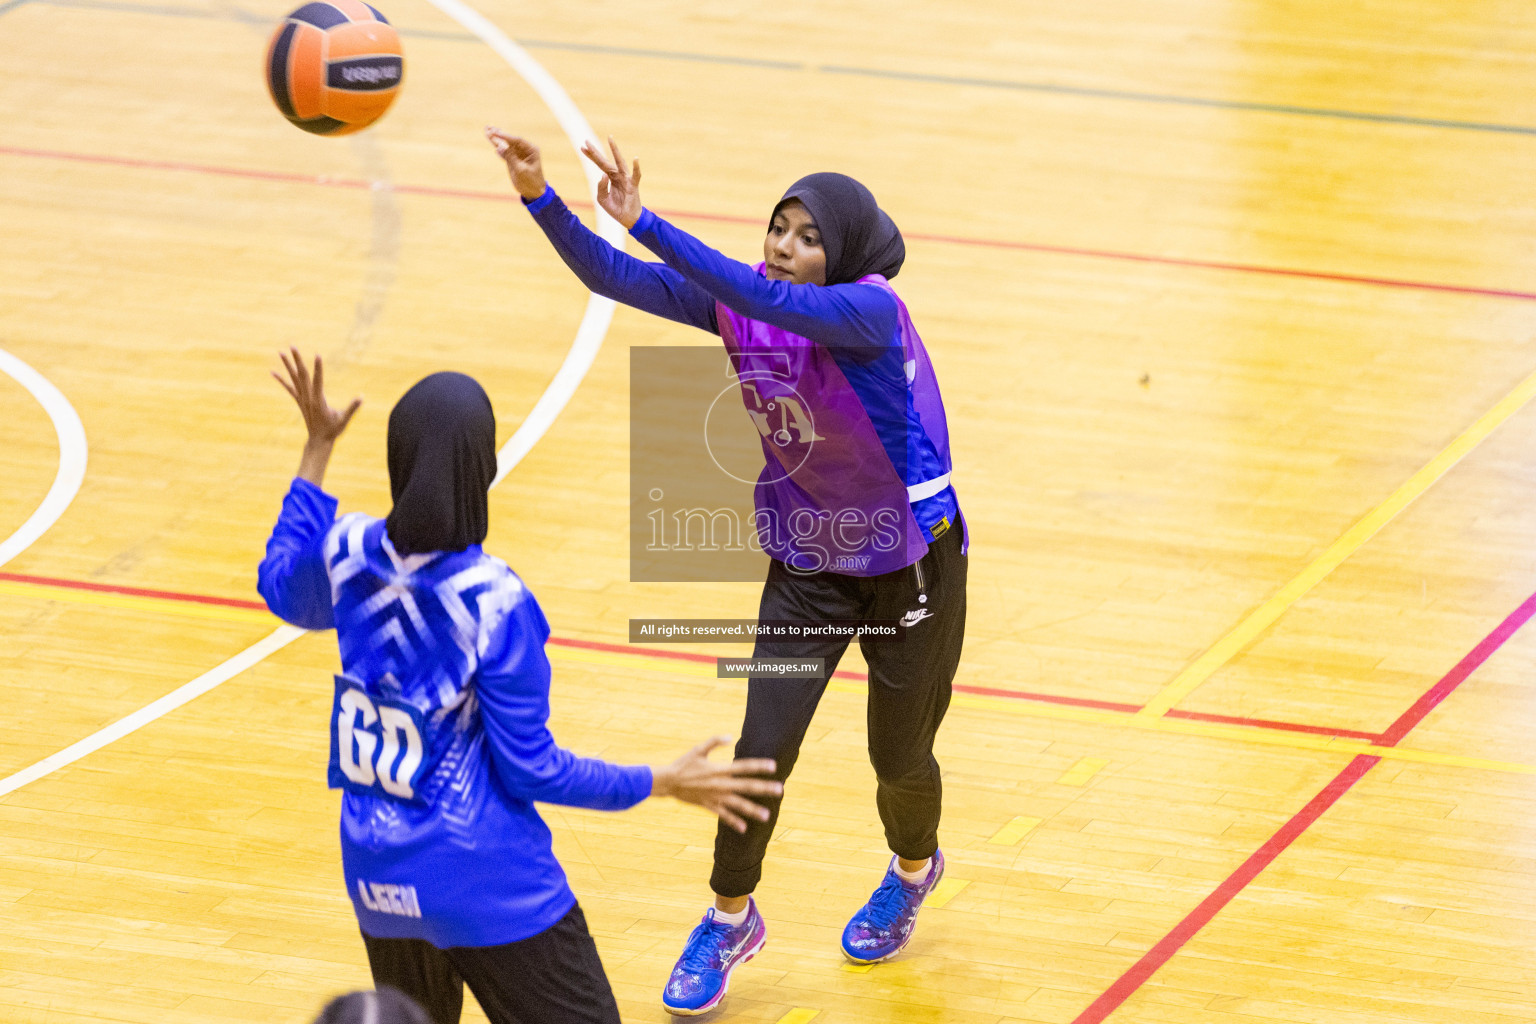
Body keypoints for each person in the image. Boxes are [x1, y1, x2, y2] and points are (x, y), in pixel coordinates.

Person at [487, 130, 968, 1016]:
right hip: (806, 563)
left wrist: (648, 221)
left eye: (808, 235)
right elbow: (612, 277)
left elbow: (745, 287)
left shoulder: (869, 312)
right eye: (778, 228)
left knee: (898, 758)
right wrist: (541, 198)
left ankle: (913, 867)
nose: (784, 246)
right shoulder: (743, 303)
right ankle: (729, 916)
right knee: (761, 750)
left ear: (847, 253)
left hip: (909, 564)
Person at [258, 351, 783, 1024]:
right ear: (482, 471)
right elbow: (532, 770)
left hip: (377, 876)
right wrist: (661, 780)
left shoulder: (346, 552)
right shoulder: (493, 601)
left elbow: (279, 584)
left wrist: (317, 450)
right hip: (488, 882)